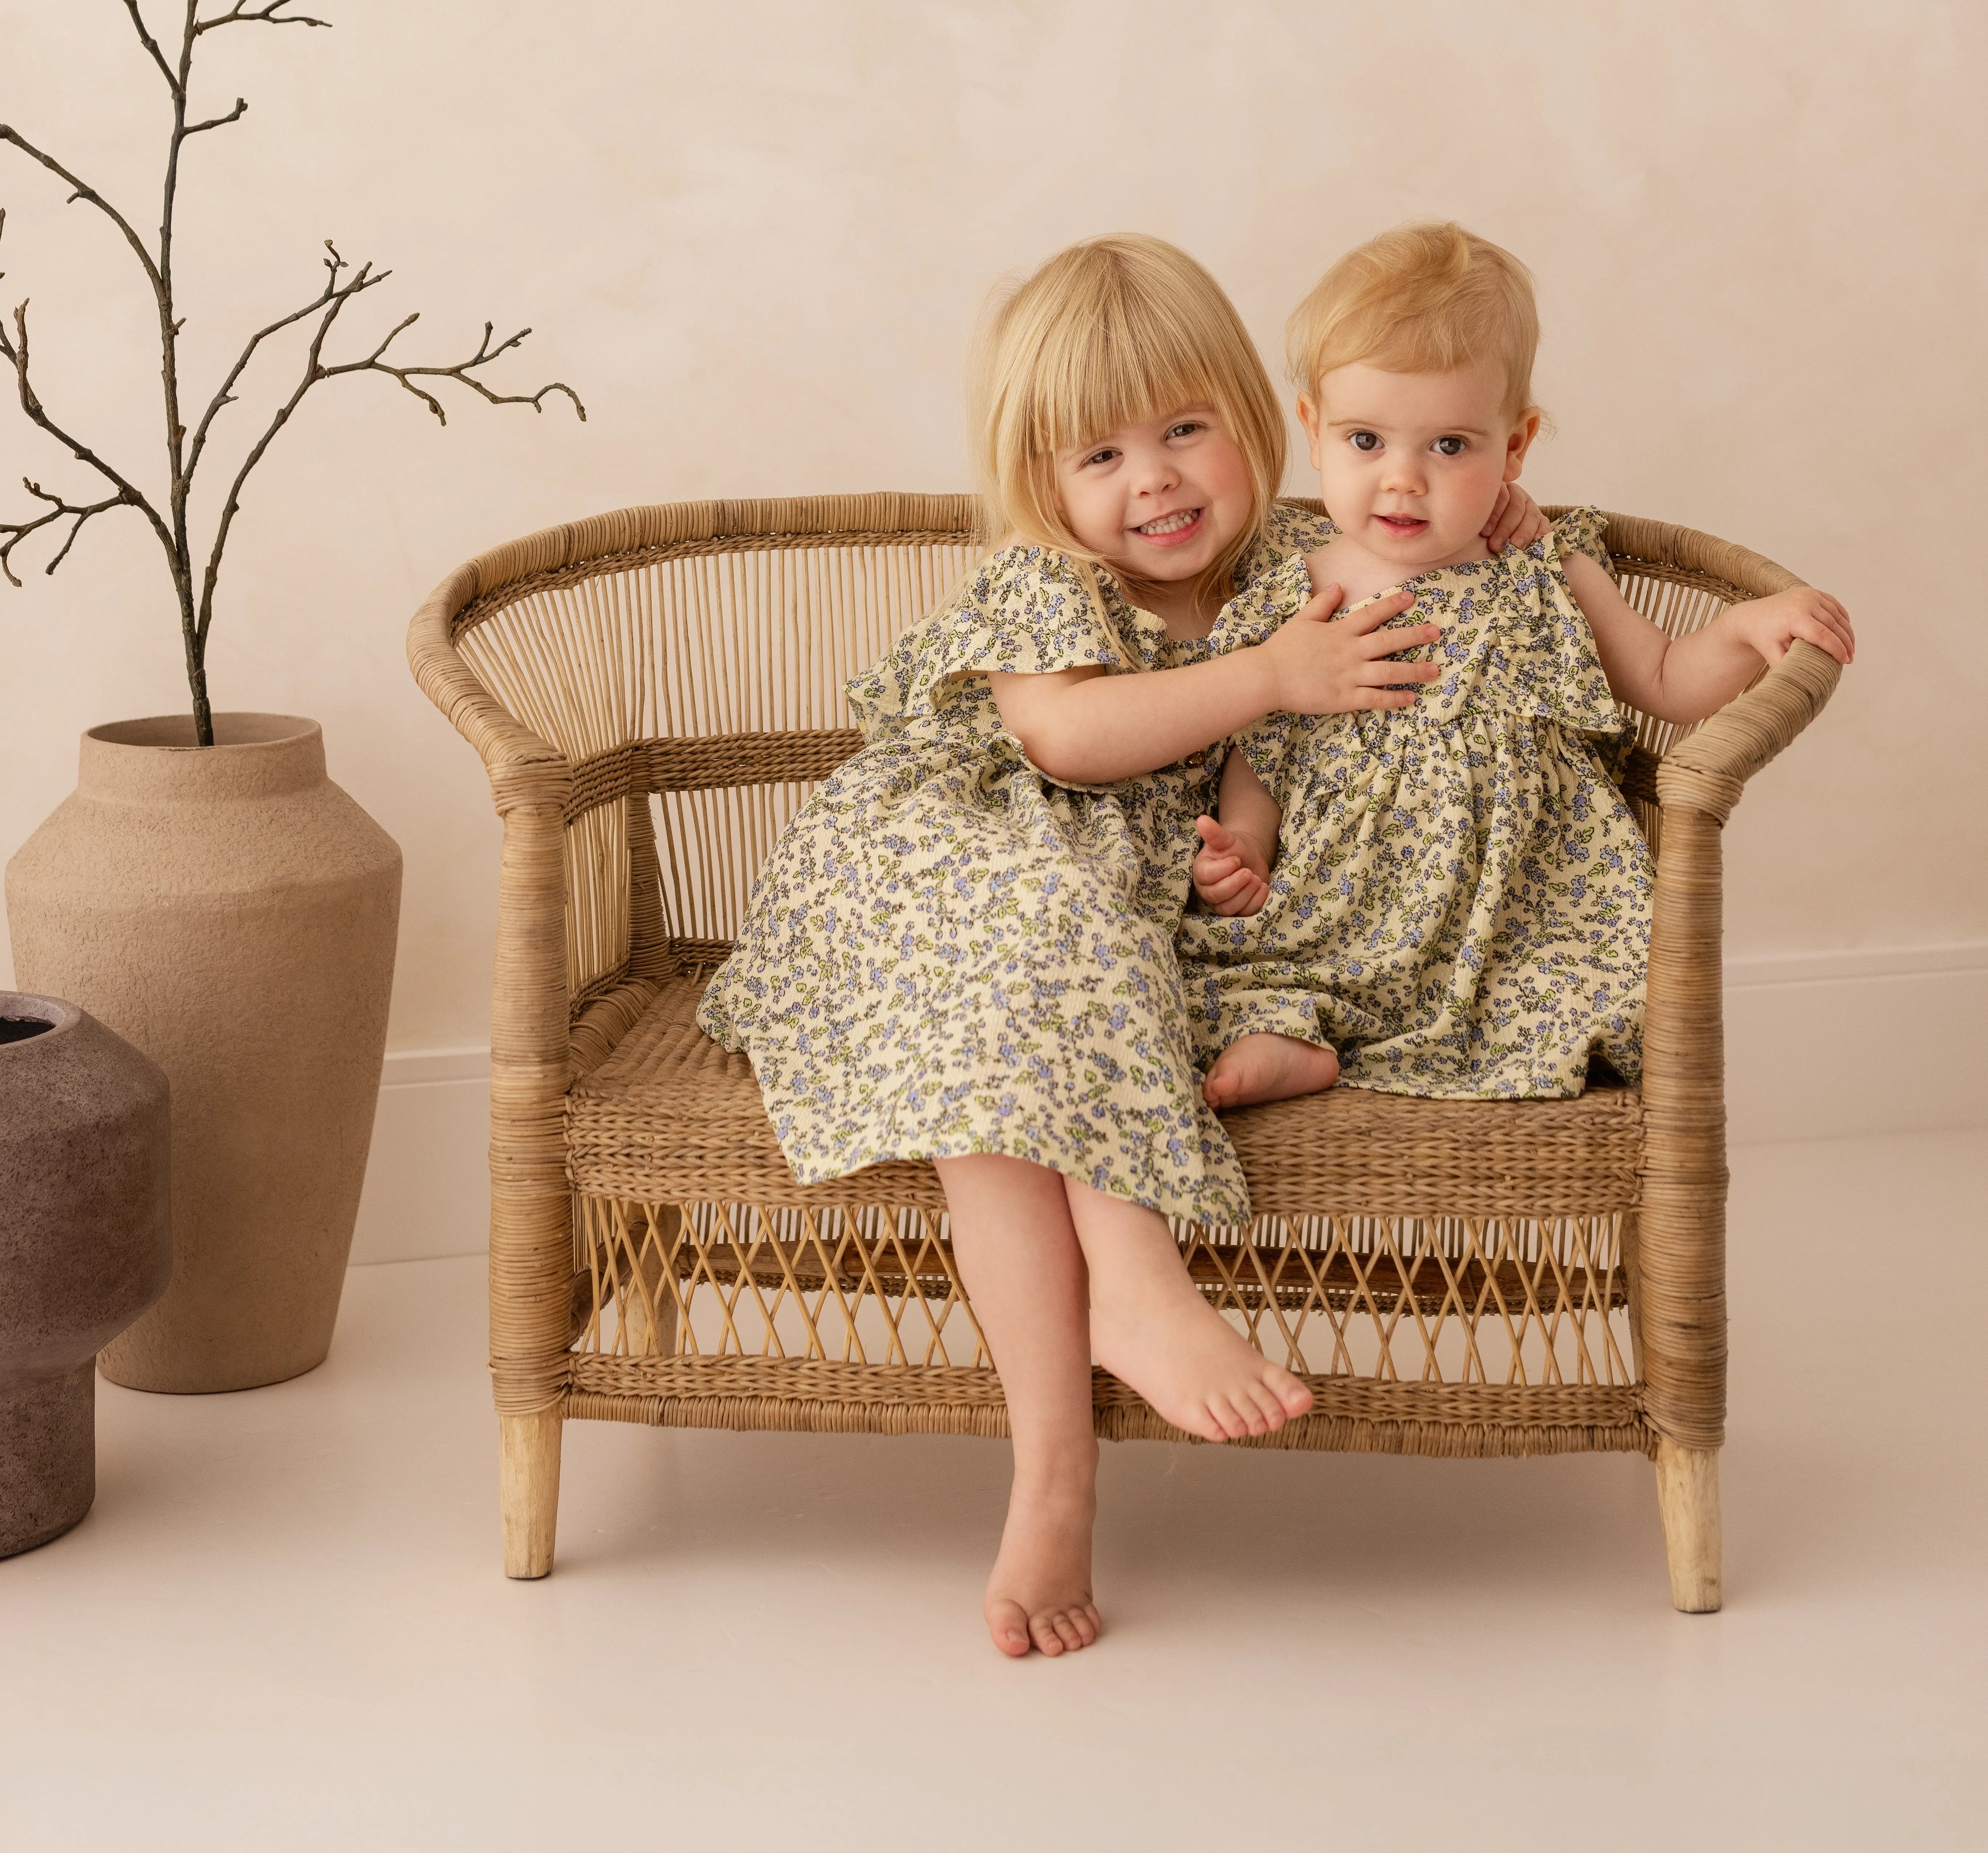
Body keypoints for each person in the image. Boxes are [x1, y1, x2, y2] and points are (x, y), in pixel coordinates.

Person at [698, 232, 1540, 1660]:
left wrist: (1498, 519)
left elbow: (1416, 523)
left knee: (1013, 1070)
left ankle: (1057, 1472)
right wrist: (1272, 674)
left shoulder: (1293, 558)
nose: (1150, 478)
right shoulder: (1051, 585)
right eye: (1099, 455)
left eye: (1184, 428)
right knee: (1041, 949)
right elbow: (1070, 743)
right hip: (929, 889)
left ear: (1256, 420)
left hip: (1085, 935)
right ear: (1042, 483)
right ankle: (1123, 1323)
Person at [1187, 221, 1855, 1100]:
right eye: (1365, 442)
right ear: (1311, 431)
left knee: (1585, 987)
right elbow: (1261, 746)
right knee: (1244, 971)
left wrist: (1741, 631)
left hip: (1517, 907)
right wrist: (1244, 845)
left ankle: (1361, 1037)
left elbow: (1660, 678)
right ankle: (1297, 1036)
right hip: (1345, 893)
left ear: (1515, 446)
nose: (1402, 479)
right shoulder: (1297, 592)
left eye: (1449, 446)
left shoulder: (1545, 564)